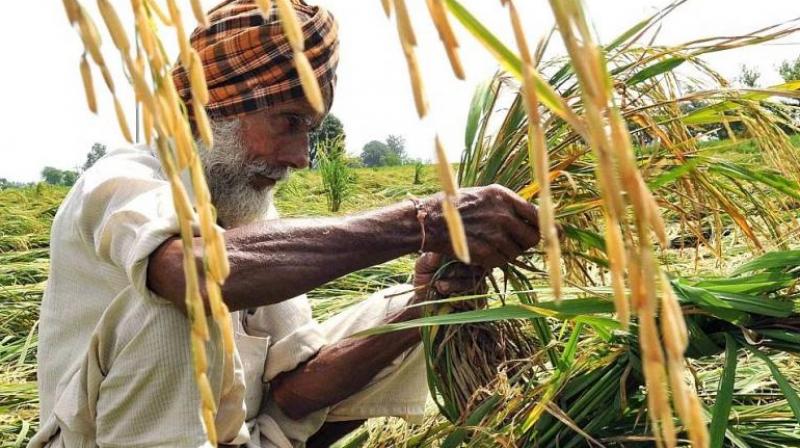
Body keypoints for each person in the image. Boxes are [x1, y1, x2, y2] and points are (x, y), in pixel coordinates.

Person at [30, 1, 541, 446]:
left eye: (311, 131)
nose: (300, 157)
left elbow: (295, 391)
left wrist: (425, 308)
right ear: (215, 107)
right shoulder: (118, 183)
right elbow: (195, 274)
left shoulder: (248, 212)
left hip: (244, 434)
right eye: (289, 122)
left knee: (409, 310)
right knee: (179, 303)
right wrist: (423, 220)